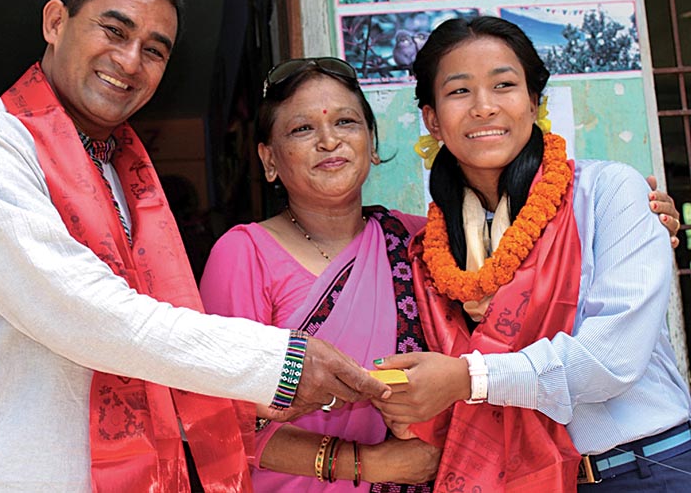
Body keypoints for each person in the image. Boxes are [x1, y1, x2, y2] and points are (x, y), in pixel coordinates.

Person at [0, 0, 392, 491]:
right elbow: (85, 313)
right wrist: (282, 365)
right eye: (114, 31)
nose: (130, 61)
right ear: (56, 22)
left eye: (154, 50)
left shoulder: (120, 173)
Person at [198, 57, 680, 490]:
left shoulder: (424, 242)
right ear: (268, 159)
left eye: (346, 122)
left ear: (372, 145)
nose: (330, 140)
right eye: (302, 129)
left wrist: (645, 221)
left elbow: (523, 307)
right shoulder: (243, 255)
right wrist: (366, 465)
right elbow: (214, 420)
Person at [372, 16, 691, 492]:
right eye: (459, 91)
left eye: (504, 85)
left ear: (534, 102)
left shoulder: (608, 193)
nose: (484, 107)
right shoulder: (431, 250)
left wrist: (467, 378)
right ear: (432, 119)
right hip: (523, 479)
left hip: (646, 469)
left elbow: (612, 360)